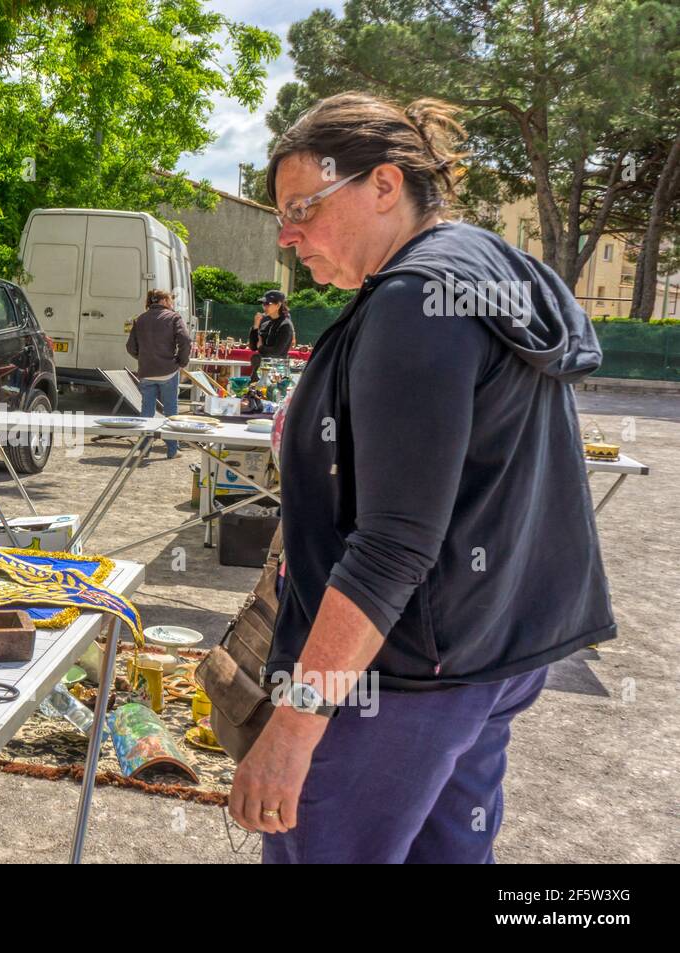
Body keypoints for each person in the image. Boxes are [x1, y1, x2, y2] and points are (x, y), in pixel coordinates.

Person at [228, 92, 615, 863]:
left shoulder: (414, 300)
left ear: (384, 184)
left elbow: (393, 543)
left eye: (304, 206)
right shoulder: (484, 267)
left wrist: (296, 725)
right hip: (489, 656)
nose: (287, 233)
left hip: (400, 678)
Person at [126, 289, 191, 459]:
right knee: (171, 411)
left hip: (146, 371)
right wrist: (181, 362)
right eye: (170, 299)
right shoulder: (173, 317)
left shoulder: (140, 319)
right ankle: (172, 450)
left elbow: (130, 347)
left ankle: (145, 449)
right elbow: (185, 340)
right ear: (163, 300)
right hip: (168, 371)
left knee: (146, 411)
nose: (172, 303)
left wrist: (142, 357)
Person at [248, 290, 296, 381]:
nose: (264, 306)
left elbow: (276, 352)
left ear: (278, 305)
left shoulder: (285, 325)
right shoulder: (265, 323)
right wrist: (255, 326)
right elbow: (253, 347)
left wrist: (261, 347)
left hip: (276, 376)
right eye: (263, 304)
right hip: (259, 375)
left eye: (268, 303)